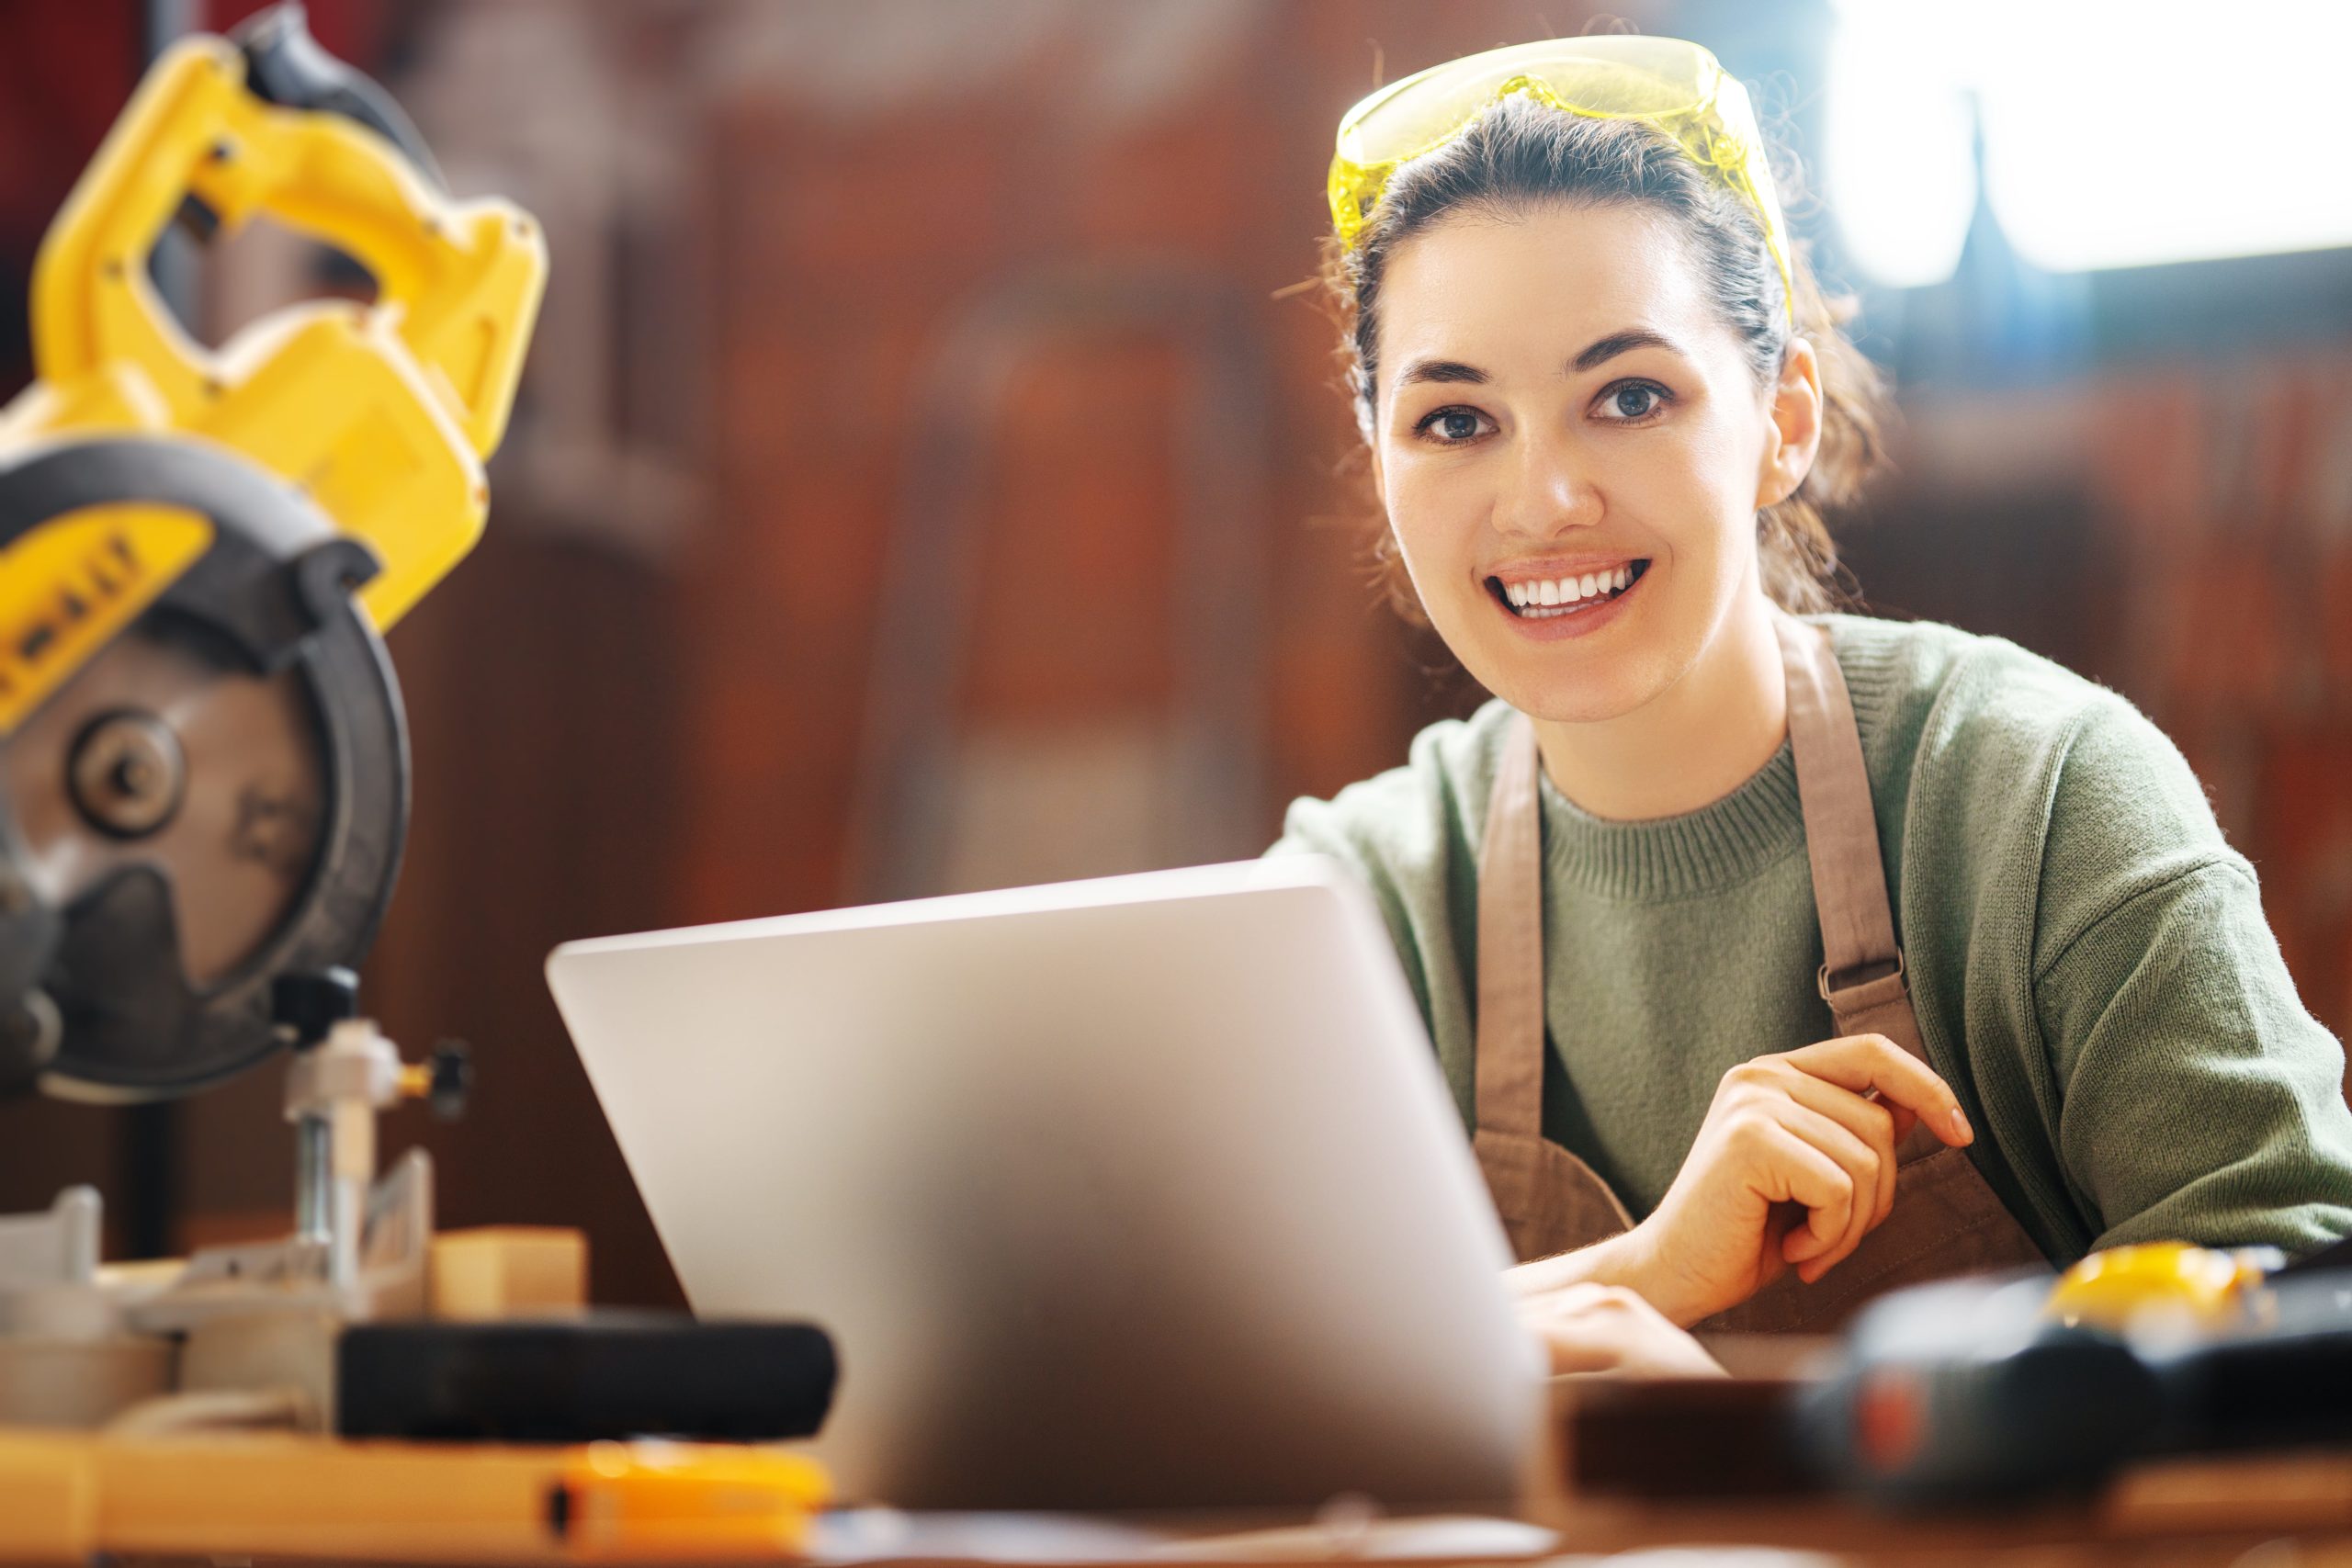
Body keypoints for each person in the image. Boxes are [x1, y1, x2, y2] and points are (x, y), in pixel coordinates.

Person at [1271, 36, 2352, 1375]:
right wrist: (1643, 1273)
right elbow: (1196, 1368)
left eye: (1628, 396)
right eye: (1454, 420)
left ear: (1781, 420)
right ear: (1376, 458)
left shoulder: (2044, 801)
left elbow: (2305, 1324)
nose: (1544, 500)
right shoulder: (1345, 913)